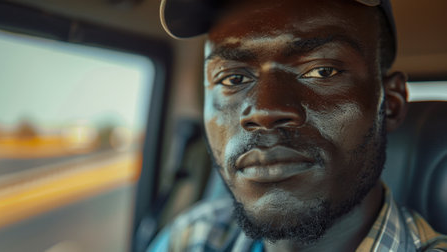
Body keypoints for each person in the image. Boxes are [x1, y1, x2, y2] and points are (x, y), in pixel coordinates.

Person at [149, 0, 447, 251]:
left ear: (390, 105)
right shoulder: (193, 237)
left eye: (322, 71)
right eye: (233, 79)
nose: (264, 111)